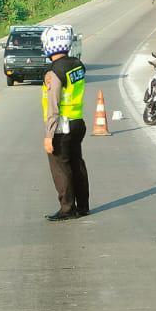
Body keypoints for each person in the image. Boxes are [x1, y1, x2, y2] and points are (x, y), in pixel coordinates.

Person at [40, 25, 90, 220]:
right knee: (77, 164)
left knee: (61, 167)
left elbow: (53, 106)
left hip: (62, 125)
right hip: (78, 121)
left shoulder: (54, 72)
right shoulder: (78, 64)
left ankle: (67, 208)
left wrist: (48, 136)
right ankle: (83, 206)